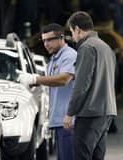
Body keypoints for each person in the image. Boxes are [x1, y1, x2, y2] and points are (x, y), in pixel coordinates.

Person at [63, 11, 117, 160]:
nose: (72, 36)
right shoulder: (106, 48)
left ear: (78, 29)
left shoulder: (86, 48)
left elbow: (81, 85)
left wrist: (70, 113)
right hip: (107, 112)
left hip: (90, 114)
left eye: (72, 31)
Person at [19, 23, 77, 160]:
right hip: (59, 121)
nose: (46, 44)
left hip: (69, 121)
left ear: (61, 38)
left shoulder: (69, 56)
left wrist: (35, 79)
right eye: (44, 40)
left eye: (50, 39)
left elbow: (64, 79)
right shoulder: (53, 59)